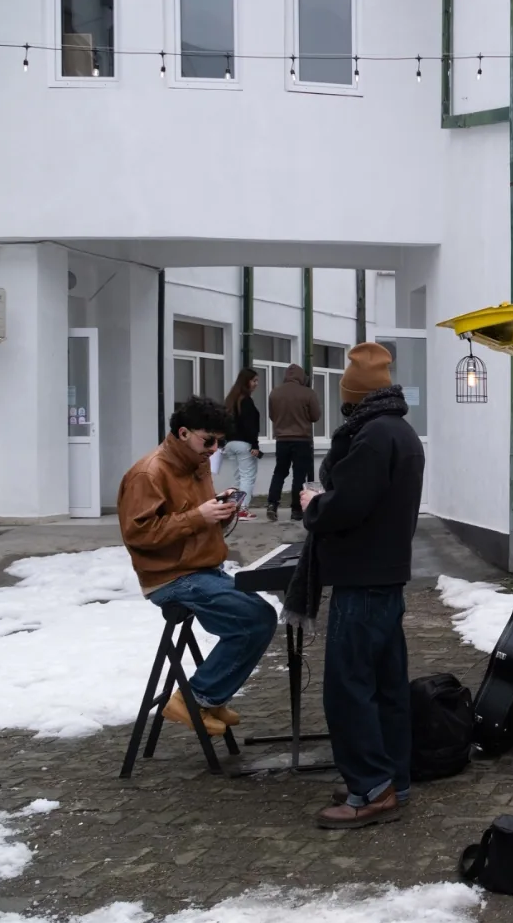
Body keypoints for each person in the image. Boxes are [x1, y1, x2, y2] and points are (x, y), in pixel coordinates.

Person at [297, 343, 426, 829]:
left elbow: (347, 506)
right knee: (386, 683)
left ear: (353, 394)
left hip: (362, 577)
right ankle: (393, 777)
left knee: (349, 688)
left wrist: (315, 501)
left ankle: (371, 789)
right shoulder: (401, 432)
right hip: (385, 575)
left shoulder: (372, 436)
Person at [117, 397, 278, 737]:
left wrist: (220, 511)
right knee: (256, 619)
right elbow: (138, 533)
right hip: (170, 577)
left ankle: (209, 698)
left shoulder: (198, 463)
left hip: (201, 568)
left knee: (258, 616)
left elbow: (195, 515)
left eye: (219, 442)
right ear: (183, 432)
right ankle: (194, 698)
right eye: (209, 441)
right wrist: (198, 517)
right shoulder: (149, 473)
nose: (214, 448)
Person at [266, 363, 321, 522]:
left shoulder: (275, 393)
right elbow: (315, 416)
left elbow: (272, 416)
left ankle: (272, 504)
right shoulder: (308, 393)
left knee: (279, 472)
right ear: (301, 376)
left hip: (282, 440)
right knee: (299, 475)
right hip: (302, 439)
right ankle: (296, 510)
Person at [221, 369, 263, 521]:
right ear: (246, 381)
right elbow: (250, 426)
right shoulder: (246, 401)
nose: (256, 384)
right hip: (244, 444)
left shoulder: (231, 400)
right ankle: (243, 509)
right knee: (247, 477)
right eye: (254, 381)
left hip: (230, 444)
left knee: (238, 478)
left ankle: (236, 508)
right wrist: (255, 445)